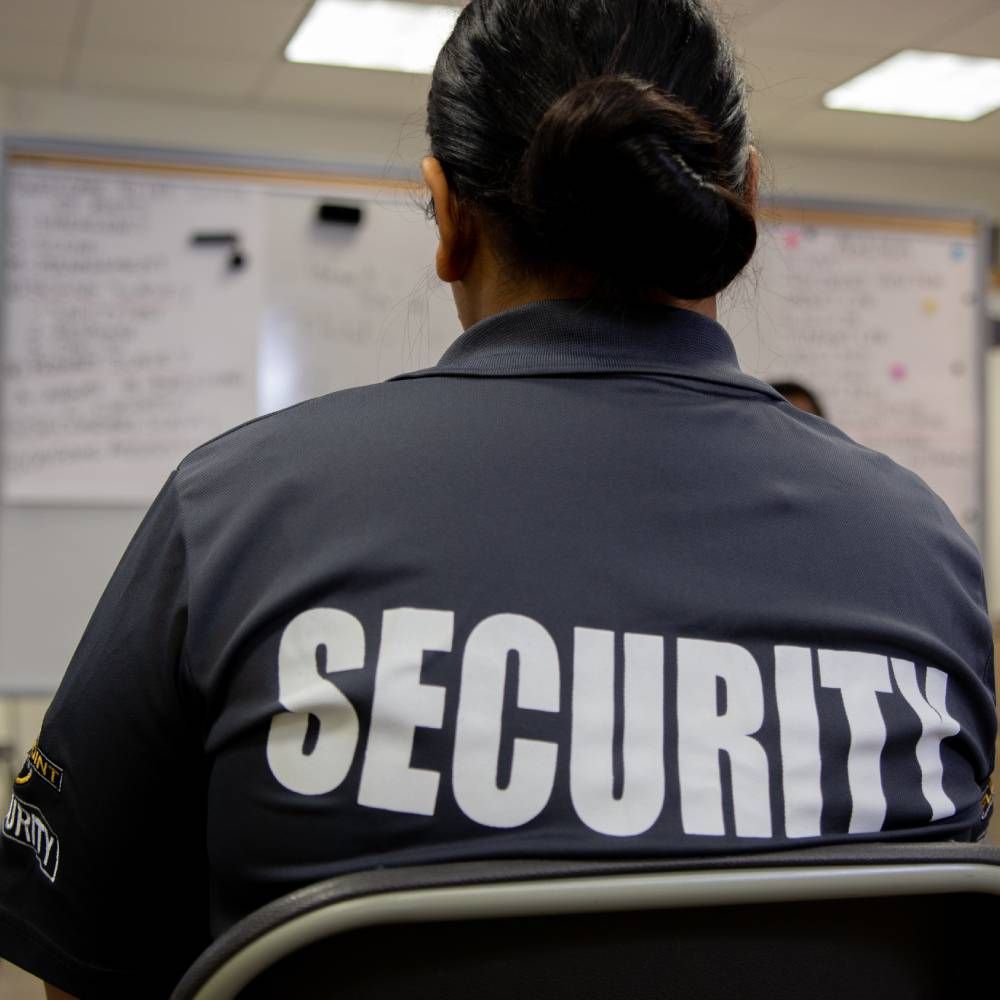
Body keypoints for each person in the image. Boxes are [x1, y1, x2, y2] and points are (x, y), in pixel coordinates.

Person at [1, 1, 995, 996]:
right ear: (744, 194)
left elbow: (86, 971)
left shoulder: (233, 515)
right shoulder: (923, 555)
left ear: (447, 215)